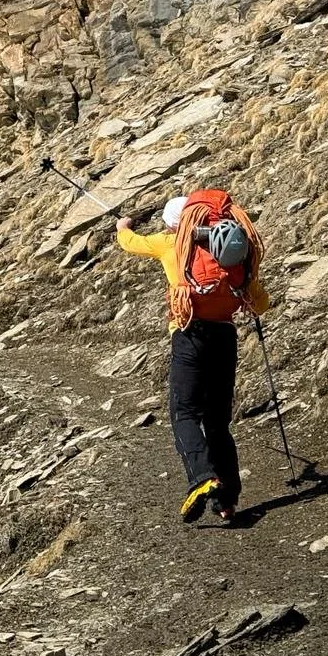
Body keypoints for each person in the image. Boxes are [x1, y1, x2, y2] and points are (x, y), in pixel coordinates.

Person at [117, 194, 271, 524]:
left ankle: (202, 479)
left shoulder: (169, 243)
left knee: (184, 411)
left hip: (189, 334)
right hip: (225, 336)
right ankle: (227, 501)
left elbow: (130, 243)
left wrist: (122, 226)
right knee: (217, 422)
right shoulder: (230, 248)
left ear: (176, 222)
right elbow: (260, 304)